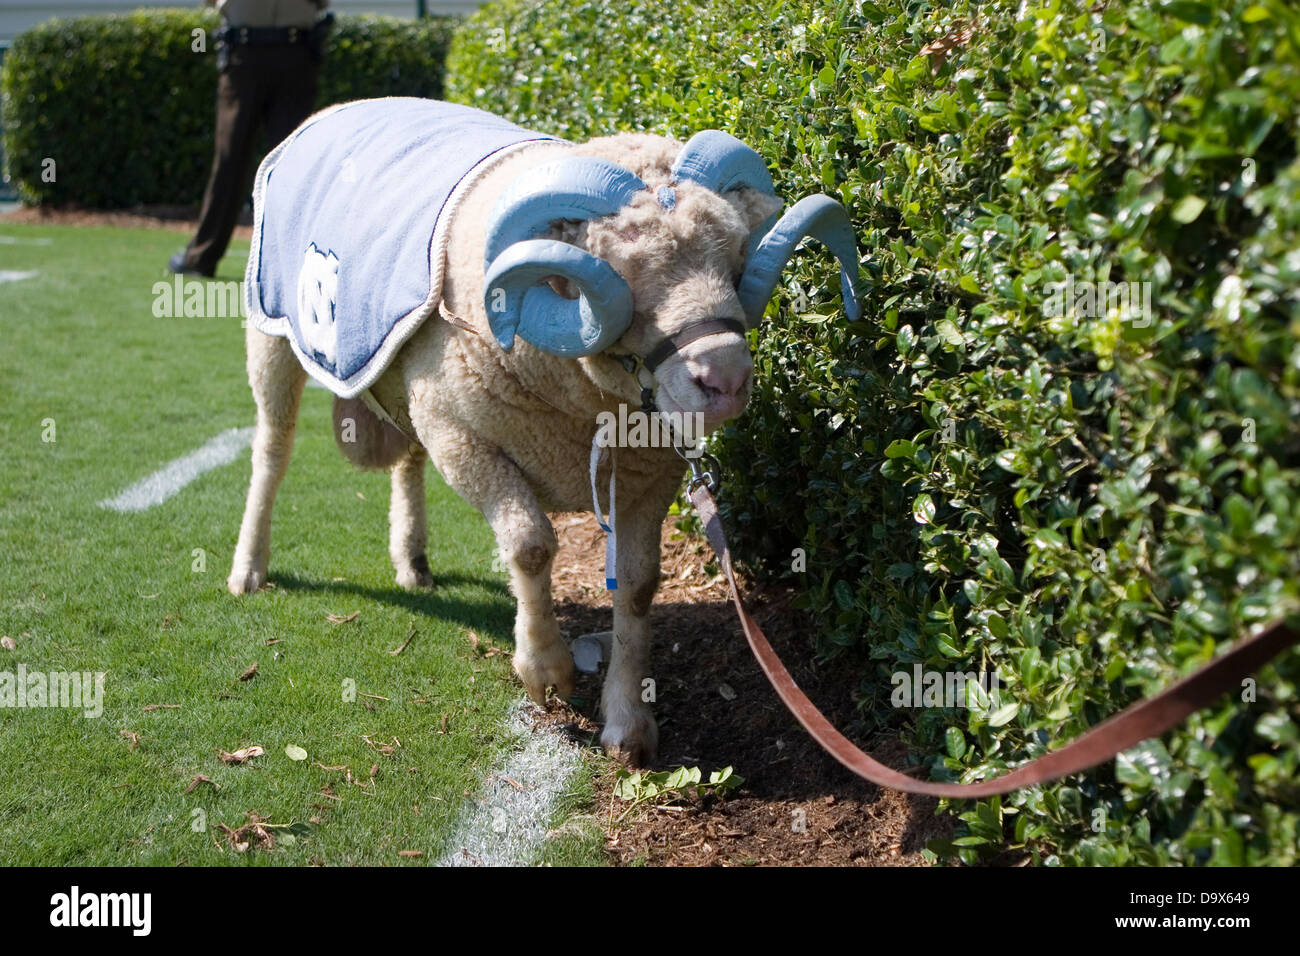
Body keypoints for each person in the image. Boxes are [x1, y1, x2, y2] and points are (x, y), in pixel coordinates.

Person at [168, 0, 332, 278]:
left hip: (292, 53)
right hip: (248, 52)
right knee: (231, 159)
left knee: (291, 163)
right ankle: (203, 255)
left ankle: (288, 264)